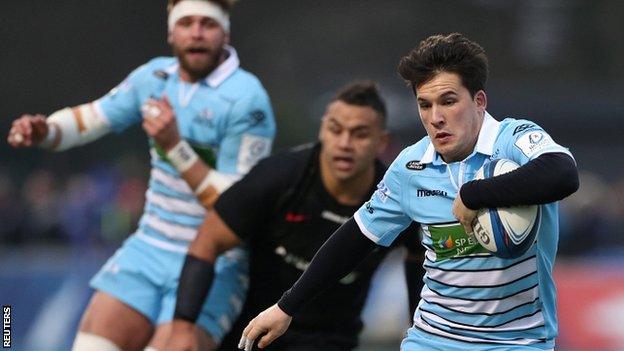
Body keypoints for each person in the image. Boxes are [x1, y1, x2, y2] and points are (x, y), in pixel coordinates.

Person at [238, 33, 579, 351]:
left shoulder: (514, 140)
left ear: (479, 101)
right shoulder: (411, 165)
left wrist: (478, 194)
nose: (436, 118)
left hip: (517, 341)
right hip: (432, 338)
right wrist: (286, 307)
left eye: (448, 101)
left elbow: (563, 174)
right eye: (424, 105)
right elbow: (357, 237)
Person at [7, 0, 276, 350]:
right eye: (187, 22)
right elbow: (90, 119)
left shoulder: (248, 99)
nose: (196, 32)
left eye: (207, 24)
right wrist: (47, 130)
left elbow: (236, 207)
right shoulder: (153, 77)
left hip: (213, 261)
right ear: (171, 32)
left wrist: (175, 147)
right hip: (147, 248)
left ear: (224, 32)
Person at [167, 81, 424, 351]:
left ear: (381, 142)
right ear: (322, 130)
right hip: (250, 333)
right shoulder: (279, 178)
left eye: (359, 134)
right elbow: (207, 240)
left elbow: (419, 254)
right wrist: (183, 328)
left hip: (329, 341)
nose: (345, 143)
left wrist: (417, 331)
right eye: (335, 130)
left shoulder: (396, 196)